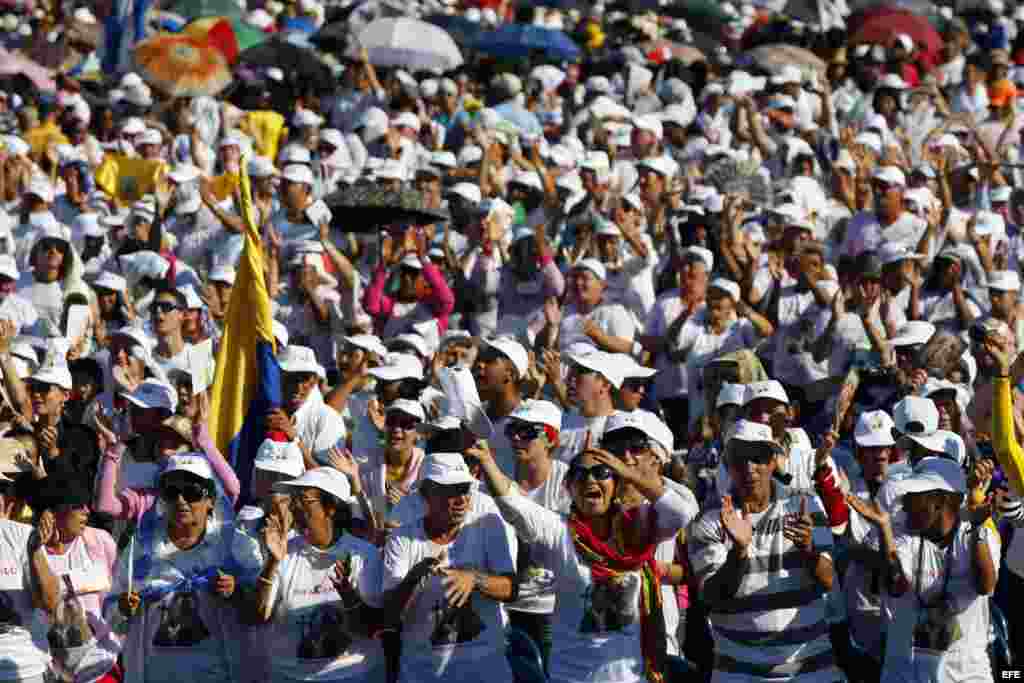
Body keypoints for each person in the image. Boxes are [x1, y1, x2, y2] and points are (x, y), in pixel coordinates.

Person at [474, 423, 695, 683]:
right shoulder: (560, 532)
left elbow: (681, 513)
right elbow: (513, 504)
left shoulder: (638, 527)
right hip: (572, 676)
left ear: (615, 484)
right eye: (580, 474)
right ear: (568, 487)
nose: (590, 480)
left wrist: (630, 473)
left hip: (631, 676)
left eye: (601, 473)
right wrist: (486, 459)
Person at [689, 420, 841, 683]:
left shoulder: (806, 504)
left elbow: (828, 579)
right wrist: (739, 552)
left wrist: (807, 550)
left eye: (758, 457)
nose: (750, 469)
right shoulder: (710, 520)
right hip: (737, 674)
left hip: (810, 672)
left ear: (773, 461)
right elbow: (712, 597)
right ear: (727, 465)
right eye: (739, 459)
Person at [847, 457, 998, 683]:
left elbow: (985, 585)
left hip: (966, 676)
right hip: (904, 676)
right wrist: (884, 529)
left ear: (939, 502)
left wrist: (977, 529)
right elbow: (896, 586)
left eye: (914, 497)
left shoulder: (977, 535)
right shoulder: (903, 537)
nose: (905, 506)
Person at [380, 452, 517, 682]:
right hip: (423, 675)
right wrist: (415, 577)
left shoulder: (489, 525)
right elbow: (390, 616)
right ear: (425, 494)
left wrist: (474, 579)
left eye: (465, 488)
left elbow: (512, 588)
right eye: (451, 490)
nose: (462, 498)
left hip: (487, 674)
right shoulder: (401, 539)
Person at [251, 466, 385, 682]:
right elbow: (258, 616)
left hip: (351, 676)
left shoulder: (363, 554)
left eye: (304, 499)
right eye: (293, 499)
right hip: (291, 676)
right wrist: (273, 562)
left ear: (330, 507)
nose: (294, 506)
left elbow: (371, 629)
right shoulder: (284, 551)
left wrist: (348, 594)